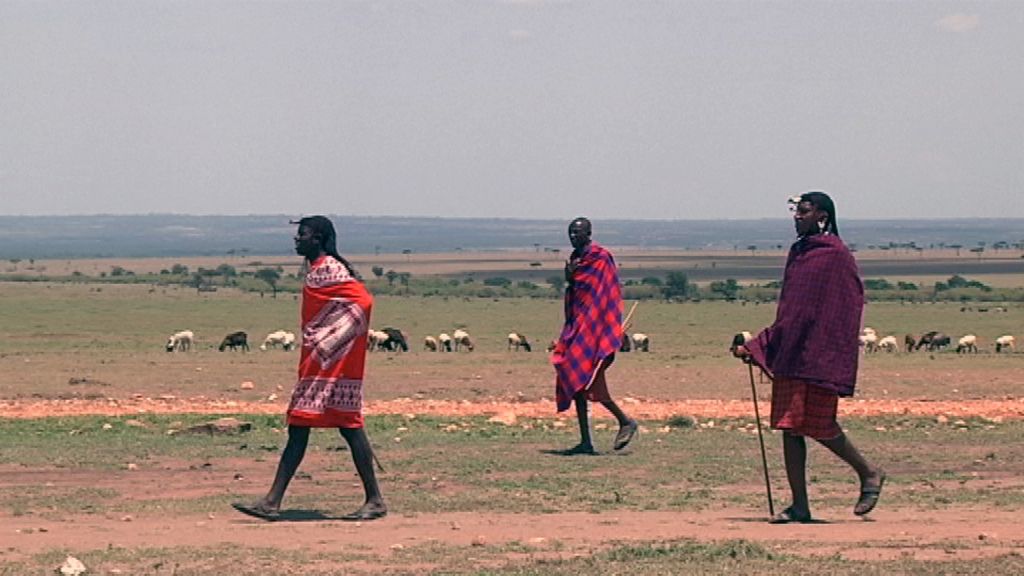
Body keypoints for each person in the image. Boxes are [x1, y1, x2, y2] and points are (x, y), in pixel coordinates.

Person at [732, 192, 885, 523]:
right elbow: (792, 310)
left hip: (818, 353)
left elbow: (842, 306)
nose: (797, 217)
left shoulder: (836, 255)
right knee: (790, 427)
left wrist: (769, 343)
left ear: (823, 217)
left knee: (818, 424)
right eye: (796, 212)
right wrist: (761, 345)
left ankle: (868, 472)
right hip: (792, 350)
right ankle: (799, 505)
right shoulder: (799, 252)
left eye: (804, 212)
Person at [233, 215, 387, 521]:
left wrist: (332, 340)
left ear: (316, 238)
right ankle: (272, 502)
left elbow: (362, 303)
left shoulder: (330, 268)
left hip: (331, 362)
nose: (296, 239)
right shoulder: (317, 270)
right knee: (305, 425)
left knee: (345, 425)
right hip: (319, 363)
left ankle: (374, 500)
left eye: (302, 235)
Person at [550, 217, 638, 455]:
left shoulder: (600, 257)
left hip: (596, 330)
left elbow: (607, 294)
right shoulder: (575, 259)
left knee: (589, 382)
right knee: (575, 381)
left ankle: (625, 421)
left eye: (577, 233)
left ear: (589, 233)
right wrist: (570, 278)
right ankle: (586, 441)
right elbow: (576, 292)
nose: (573, 237)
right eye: (570, 233)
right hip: (577, 327)